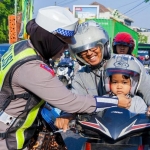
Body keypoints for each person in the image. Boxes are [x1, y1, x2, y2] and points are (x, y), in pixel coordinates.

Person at [0, 6, 130, 150]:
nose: (66, 48)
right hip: (9, 138)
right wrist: (115, 100)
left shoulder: (21, 47)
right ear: (49, 38)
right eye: (64, 42)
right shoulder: (33, 68)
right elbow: (71, 102)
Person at [112, 32, 150, 104]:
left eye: (125, 46)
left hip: (131, 100)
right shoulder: (108, 62)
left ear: (130, 48)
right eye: (119, 45)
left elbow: (147, 86)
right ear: (115, 47)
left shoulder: (136, 63)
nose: (122, 48)